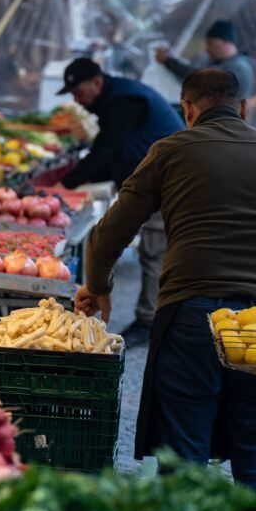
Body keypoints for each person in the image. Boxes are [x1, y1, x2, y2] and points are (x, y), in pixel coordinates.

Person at [74, 68, 256, 498]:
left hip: (191, 317)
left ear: (187, 110)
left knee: (183, 458)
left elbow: (108, 233)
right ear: (243, 108)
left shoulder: (170, 150)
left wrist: (97, 285)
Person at [57, 58, 185, 345]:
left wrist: (64, 184)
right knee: (145, 249)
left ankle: (150, 322)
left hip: (165, 182)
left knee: (154, 250)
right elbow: (111, 152)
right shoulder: (118, 97)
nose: (78, 101)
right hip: (151, 181)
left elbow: (105, 151)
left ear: (97, 83)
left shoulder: (123, 101)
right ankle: (149, 317)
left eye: (79, 93)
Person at [155, 20, 256, 101]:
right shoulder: (220, 62)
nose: (207, 49)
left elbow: (198, 78)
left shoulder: (239, 66)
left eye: (210, 43)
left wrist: (167, 61)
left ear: (226, 41)